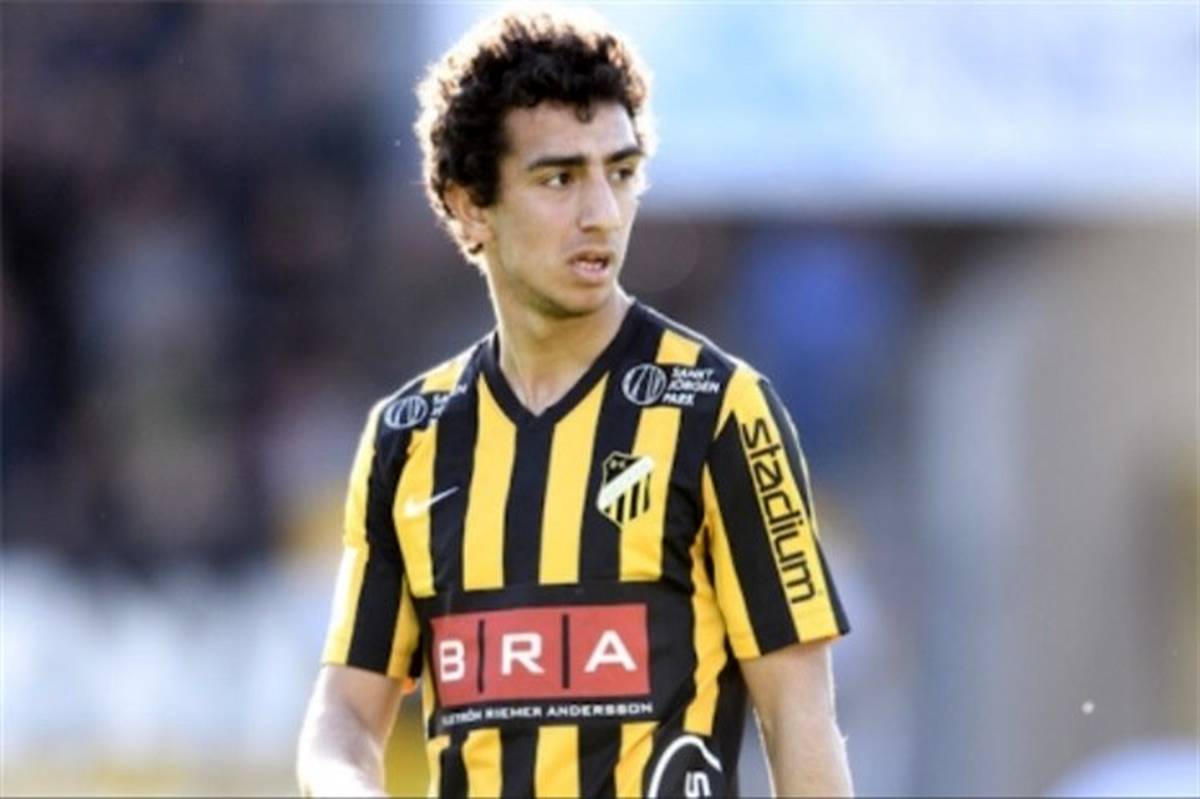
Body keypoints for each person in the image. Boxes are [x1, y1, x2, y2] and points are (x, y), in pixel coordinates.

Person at [297, 6, 853, 797]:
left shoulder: (719, 411)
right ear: (469, 203)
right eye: (559, 178)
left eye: (618, 173)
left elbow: (801, 716)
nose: (601, 213)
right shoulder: (410, 436)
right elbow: (346, 715)